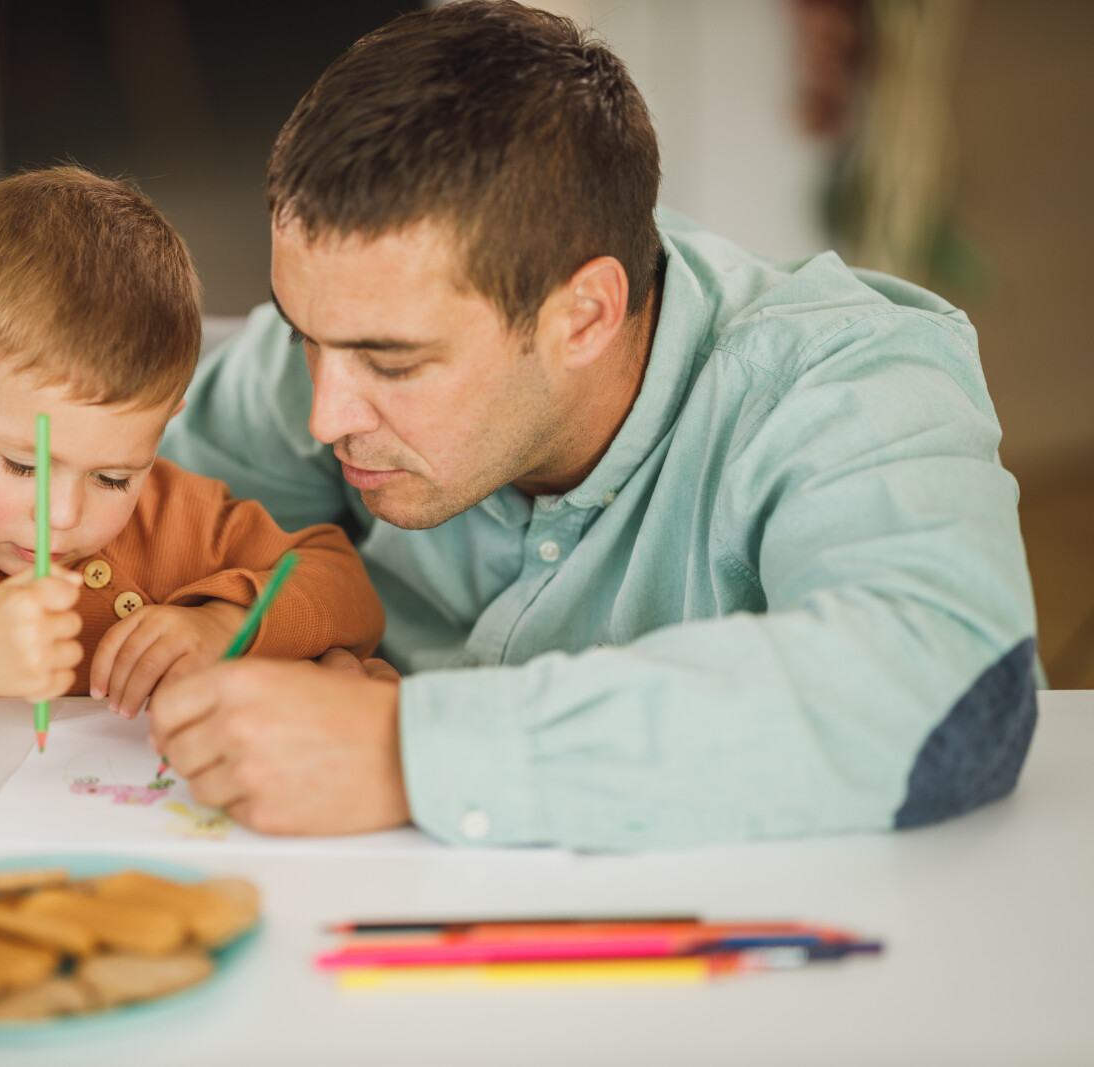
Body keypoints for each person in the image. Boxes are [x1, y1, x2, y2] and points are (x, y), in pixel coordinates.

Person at [150, 0, 1038, 848]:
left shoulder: (843, 377)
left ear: (585, 316)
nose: (324, 411)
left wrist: (401, 748)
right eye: (306, 337)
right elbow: (143, 528)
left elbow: (950, 684)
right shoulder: (351, 321)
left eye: (395, 365)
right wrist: (280, 640)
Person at [0, 167, 384, 740]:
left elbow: (344, 585)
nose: (63, 516)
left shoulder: (174, 512)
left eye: (112, 477)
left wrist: (222, 626)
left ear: (158, 434)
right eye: (24, 467)